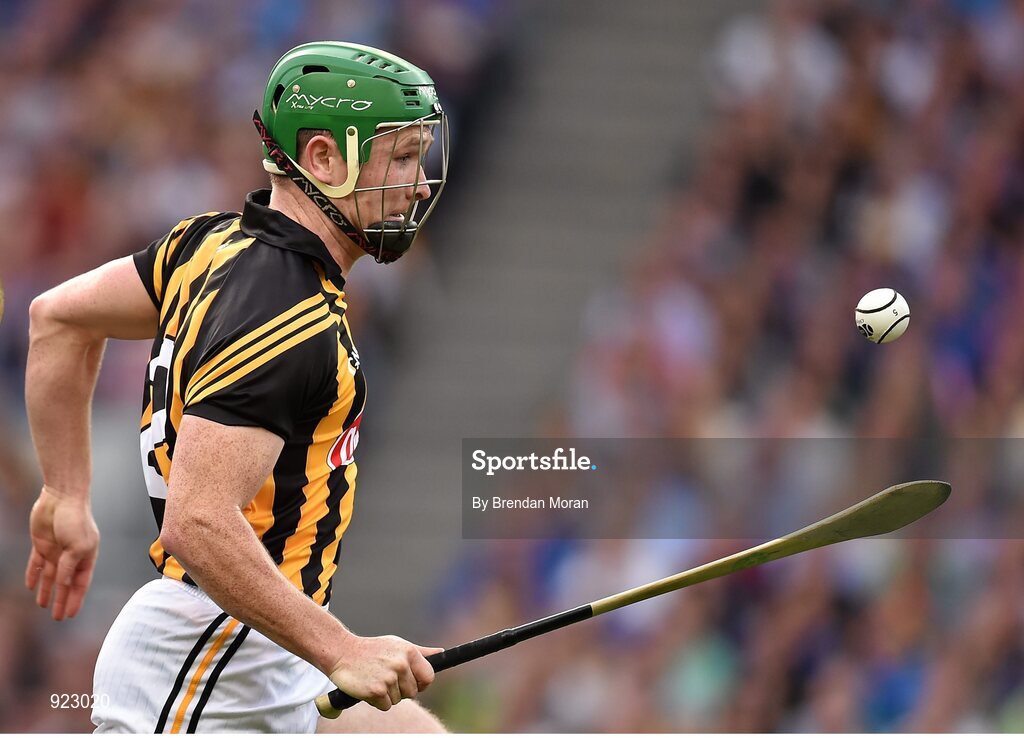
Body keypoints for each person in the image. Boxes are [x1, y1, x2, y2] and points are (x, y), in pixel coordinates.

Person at [24, 41, 450, 733]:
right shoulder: (290, 320)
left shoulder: (211, 245)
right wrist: (343, 648)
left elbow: (59, 320)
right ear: (322, 159)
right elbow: (196, 520)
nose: (420, 183)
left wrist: (65, 493)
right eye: (401, 158)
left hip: (256, 643)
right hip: (207, 652)